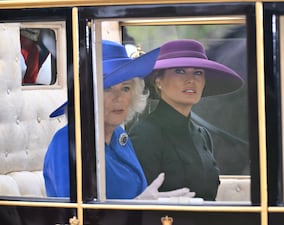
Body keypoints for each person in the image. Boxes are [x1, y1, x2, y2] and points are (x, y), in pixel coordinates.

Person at [43, 40, 194, 200]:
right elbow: (77, 215)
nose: (119, 98)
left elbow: (137, 197)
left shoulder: (119, 136)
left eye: (126, 88)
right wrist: (138, 205)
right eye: (107, 88)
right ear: (87, 96)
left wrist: (155, 204)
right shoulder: (67, 142)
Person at [128, 39, 243, 201]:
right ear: (158, 81)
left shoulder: (202, 135)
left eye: (198, 73)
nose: (191, 80)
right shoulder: (145, 134)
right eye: (180, 71)